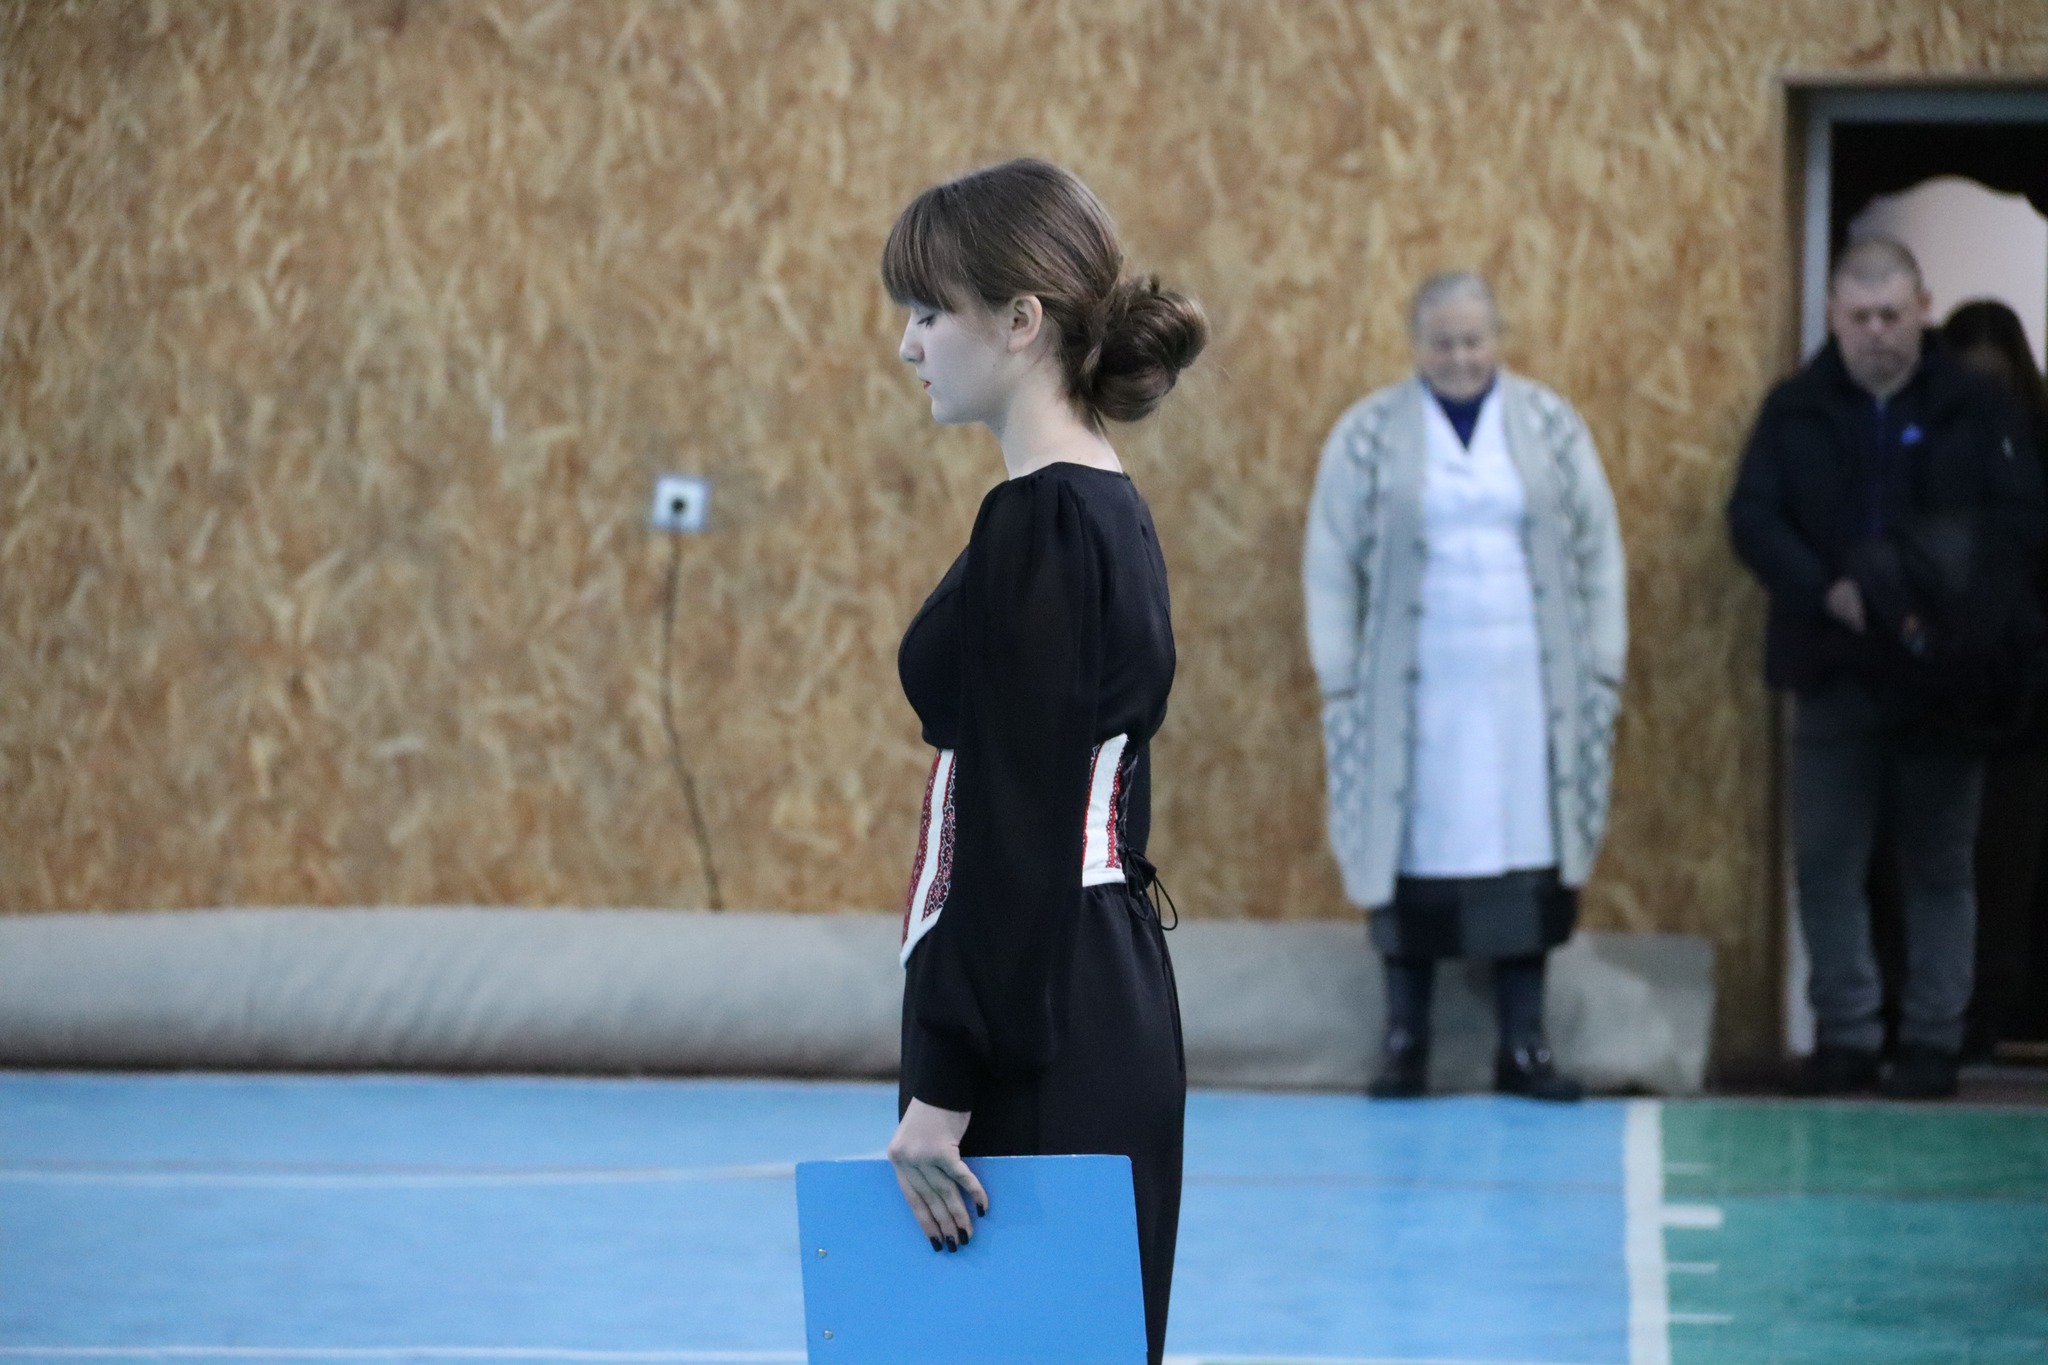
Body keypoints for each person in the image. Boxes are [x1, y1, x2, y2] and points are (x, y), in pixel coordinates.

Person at [878, 158, 1206, 1364]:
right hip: (1089, 991)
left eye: (930, 312)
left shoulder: (1043, 522)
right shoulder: (1104, 508)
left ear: (1020, 322)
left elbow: (1018, 832)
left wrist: (943, 1090)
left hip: (1038, 1023)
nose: (909, 344)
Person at [1727, 238, 2047, 1100]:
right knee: (1828, 860)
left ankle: (1935, 1039)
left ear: (1924, 309)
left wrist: (1953, 613)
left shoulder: (1978, 408)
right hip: (1833, 665)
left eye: (1892, 315)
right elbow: (1753, 518)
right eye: (1860, 316)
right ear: (1833, 315)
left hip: (1948, 674)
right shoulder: (1795, 408)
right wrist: (1825, 591)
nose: (1876, 332)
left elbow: (2019, 523)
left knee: (1939, 862)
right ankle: (1848, 1035)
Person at [1304, 272, 1627, 1103]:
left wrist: (1601, 665)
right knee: (1407, 857)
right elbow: (1330, 559)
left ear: (1497, 339)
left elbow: (1597, 546)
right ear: (1418, 345)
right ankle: (1404, 1043)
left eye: (1474, 340)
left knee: (1528, 855)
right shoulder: (1368, 434)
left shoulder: (1550, 426)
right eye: (1443, 342)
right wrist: (1340, 680)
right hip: (1413, 698)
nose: (1459, 356)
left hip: (1527, 692)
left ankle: (1524, 1044)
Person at [1941, 299, 2048, 1056]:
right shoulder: (1930, 444)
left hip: (2027, 685)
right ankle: (1944, 1006)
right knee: (1939, 857)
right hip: (1944, 679)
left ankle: (1992, 1004)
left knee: (2009, 858)